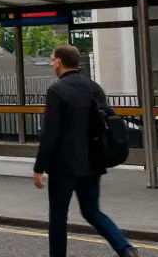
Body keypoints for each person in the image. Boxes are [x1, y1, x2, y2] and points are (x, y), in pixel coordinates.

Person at [33, 44, 139, 257]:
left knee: (58, 215)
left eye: (53, 59)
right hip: (93, 160)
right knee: (92, 211)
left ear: (60, 62)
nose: (52, 63)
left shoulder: (56, 90)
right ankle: (125, 248)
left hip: (64, 165)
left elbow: (49, 133)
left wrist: (39, 168)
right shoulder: (93, 87)